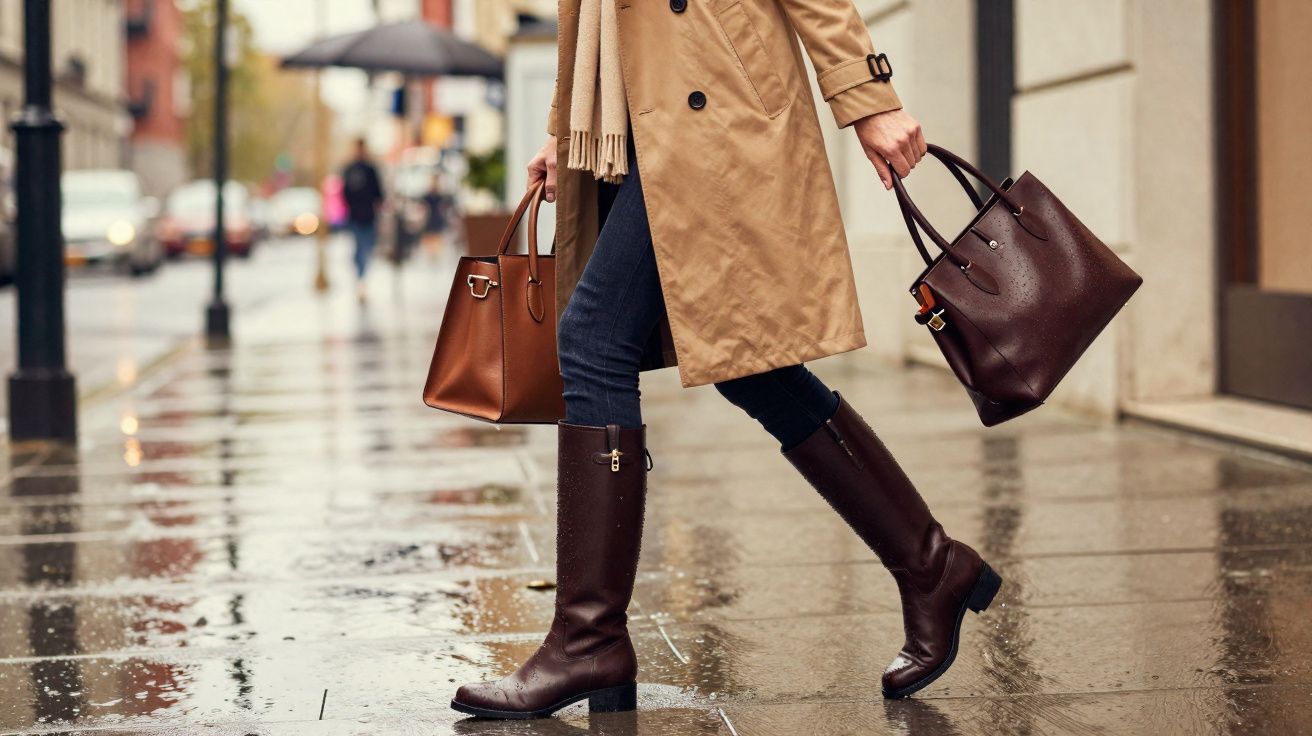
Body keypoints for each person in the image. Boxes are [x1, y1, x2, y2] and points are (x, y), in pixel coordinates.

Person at [451, 0, 1002, 719]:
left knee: (592, 341)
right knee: (750, 366)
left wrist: (869, 99)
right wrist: (570, 126)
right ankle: (932, 566)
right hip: (640, 113)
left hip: (709, 99)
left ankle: (590, 640)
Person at [341, 138, 383, 301]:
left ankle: (362, 277)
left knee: (368, 248)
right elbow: (345, 193)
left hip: (369, 216)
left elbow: (378, 192)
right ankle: (360, 278)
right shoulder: (349, 169)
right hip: (355, 217)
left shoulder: (370, 169)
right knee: (359, 248)